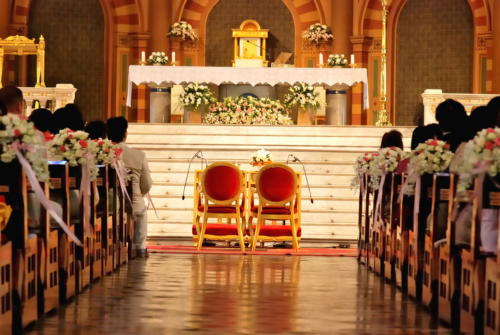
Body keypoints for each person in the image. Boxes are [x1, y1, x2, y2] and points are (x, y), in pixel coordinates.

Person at [107, 116, 152, 257]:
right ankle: (139, 247)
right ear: (125, 134)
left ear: (107, 134)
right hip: (134, 204)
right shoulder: (138, 155)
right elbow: (147, 184)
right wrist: (139, 194)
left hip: (110, 204)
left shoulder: (102, 153)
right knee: (141, 210)